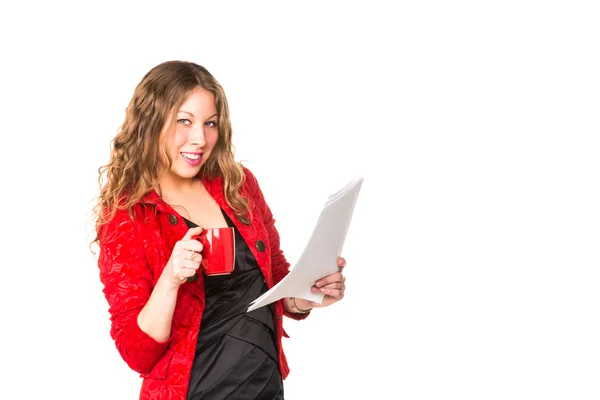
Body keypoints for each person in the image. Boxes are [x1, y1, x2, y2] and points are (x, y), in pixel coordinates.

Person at [91, 60, 347, 400]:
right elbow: (136, 353)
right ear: (151, 122)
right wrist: (170, 280)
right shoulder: (128, 214)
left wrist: (310, 295)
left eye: (210, 123)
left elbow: (277, 279)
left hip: (263, 384)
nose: (200, 139)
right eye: (184, 121)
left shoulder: (237, 185)